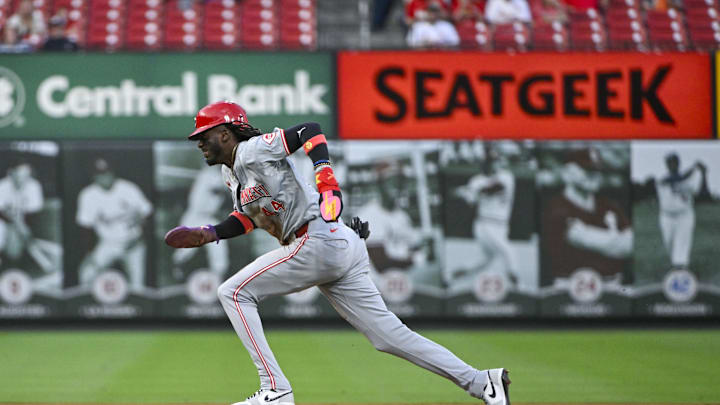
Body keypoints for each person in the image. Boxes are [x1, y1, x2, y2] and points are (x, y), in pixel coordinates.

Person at [164, 101, 510, 405]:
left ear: (225, 133)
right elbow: (248, 219)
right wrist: (209, 233)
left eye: (204, 136)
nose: (199, 143)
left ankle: (275, 389)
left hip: (316, 240)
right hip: (334, 243)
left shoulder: (253, 149)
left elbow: (308, 130)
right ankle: (481, 381)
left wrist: (326, 178)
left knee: (234, 292)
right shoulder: (231, 174)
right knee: (389, 337)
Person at [541, 148, 632, 283]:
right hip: (572, 287)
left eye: (597, 170)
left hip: (613, 284)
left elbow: (631, 245)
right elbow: (615, 246)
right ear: (567, 174)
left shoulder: (609, 205)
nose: (594, 175)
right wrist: (618, 238)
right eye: (587, 170)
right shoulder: (556, 208)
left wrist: (617, 241)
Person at [76, 158, 153, 292]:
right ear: (94, 176)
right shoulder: (88, 195)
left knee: (139, 288)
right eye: (100, 174)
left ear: (113, 173)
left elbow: (148, 212)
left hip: (134, 245)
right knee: (86, 274)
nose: (105, 177)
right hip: (108, 244)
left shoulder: (128, 188)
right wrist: (89, 254)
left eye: (107, 173)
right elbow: (85, 228)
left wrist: (141, 231)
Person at [452, 145, 519, 287]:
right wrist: (466, 195)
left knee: (484, 261)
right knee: (508, 252)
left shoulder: (506, 176)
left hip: (501, 226)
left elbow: (494, 188)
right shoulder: (477, 180)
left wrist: (472, 191)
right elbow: (471, 202)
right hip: (486, 224)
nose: (494, 164)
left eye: (496, 160)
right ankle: (518, 286)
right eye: (490, 161)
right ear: (485, 163)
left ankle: (452, 277)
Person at [172, 166, 230, 278]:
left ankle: (217, 276)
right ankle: (178, 269)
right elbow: (218, 189)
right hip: (195, 217)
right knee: (186, 251)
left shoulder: (223, 176)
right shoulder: (208, 174)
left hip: (208, 219)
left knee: (219, 246)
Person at [655, 153, 705, 272]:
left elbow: (702, 193)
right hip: (666, 216)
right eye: (670, 163)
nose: (672, 165)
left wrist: (703, 174)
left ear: (678, 163)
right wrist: (694, 168)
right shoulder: (661, 178)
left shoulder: (688, 181)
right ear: (666, 165)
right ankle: (676, 264)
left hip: (684, 215)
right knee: (669, 243)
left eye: (674, 162)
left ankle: (681, 267)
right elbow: (676, 179)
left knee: (682, 242)